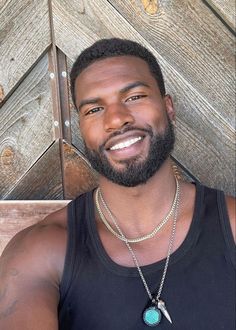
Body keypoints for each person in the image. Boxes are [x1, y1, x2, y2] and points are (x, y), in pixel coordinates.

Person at [0, 38, 235, 330]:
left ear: (168, 107)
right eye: (94, 110)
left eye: (134, 97)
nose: (116, 119)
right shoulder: (41, 250)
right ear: (82, 130)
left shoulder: (231, 226)